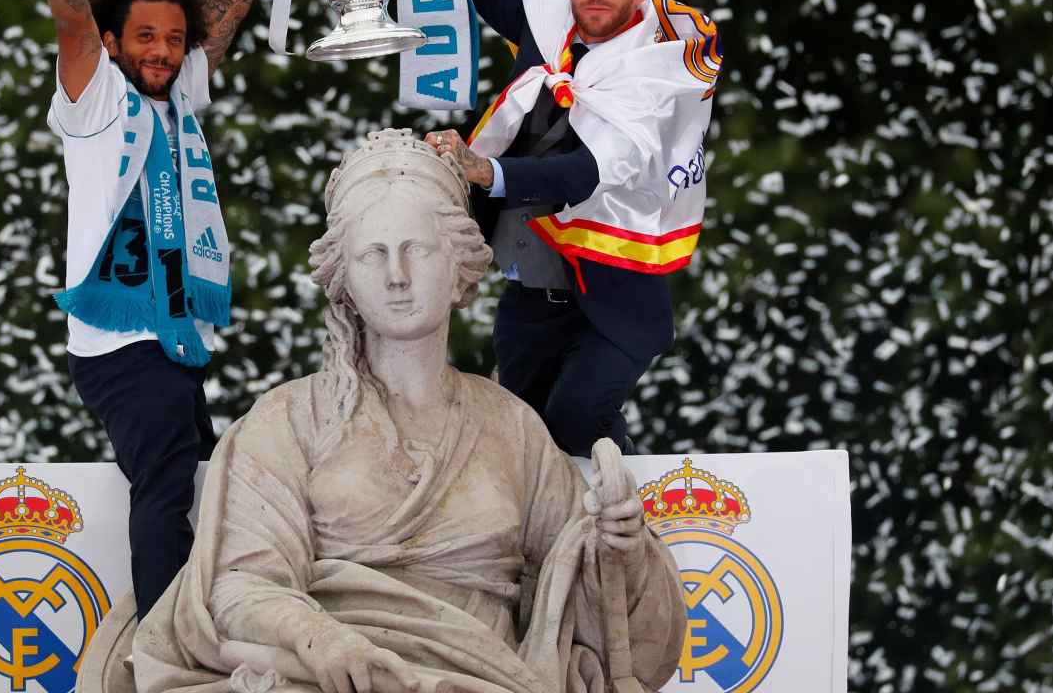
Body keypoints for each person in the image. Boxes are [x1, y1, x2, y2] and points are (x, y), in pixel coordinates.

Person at [114, 129, 686, 693]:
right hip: (329, 676)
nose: (396, 276)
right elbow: (238, 586)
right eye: (373, 254)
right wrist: (319, 638)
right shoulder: (288, 419)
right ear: (345, 277)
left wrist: (620, 549)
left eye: (415, 249)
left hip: (479, 675)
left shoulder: (512, 427)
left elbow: (587, 605)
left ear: (459, 260)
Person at [421, 0, 723, 458]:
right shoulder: (550, 23)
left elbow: (586, 172)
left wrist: (486, 171)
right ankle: (598, 550)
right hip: (530, 293)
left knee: (572, 428)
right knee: (518, 450)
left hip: (613, 305)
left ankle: (629, 544)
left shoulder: (656, 68)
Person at [36, 0, 274, 619]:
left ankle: (197, 623)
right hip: (117, 341)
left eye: (173, 40)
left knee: (209, 480)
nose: (163, 52)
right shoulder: (96, 96)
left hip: (173, 335)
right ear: (114, 44)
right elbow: (71, 15)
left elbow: (231, 2)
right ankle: (163, 650)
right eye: (145, 38)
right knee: (169, 483)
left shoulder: (179, 96)